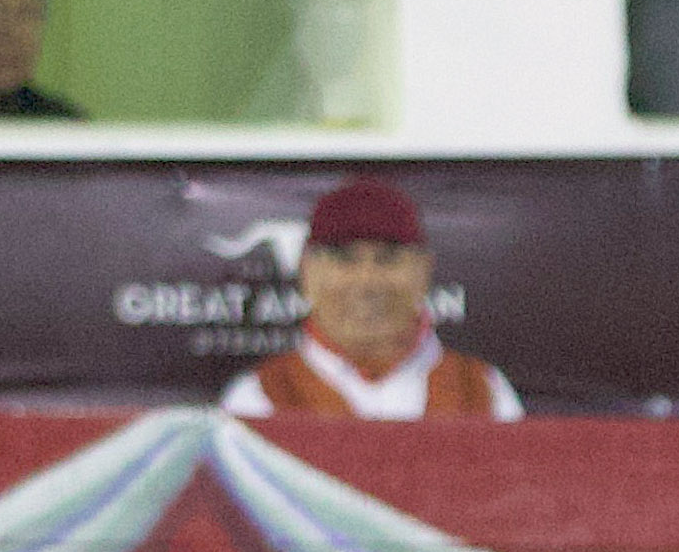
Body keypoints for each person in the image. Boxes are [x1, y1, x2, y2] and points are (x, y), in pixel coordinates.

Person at [218, 177, 520, 422]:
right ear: (307, 274)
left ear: (423, 272)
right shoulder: (256, 399)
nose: (366, 281)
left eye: (387, 259)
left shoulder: (483, 391)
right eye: (344, 259)